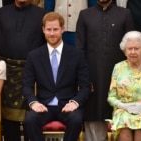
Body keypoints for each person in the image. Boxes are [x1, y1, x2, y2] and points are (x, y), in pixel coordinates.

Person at [22, 12, 90, 141]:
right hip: (43, 105)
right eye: (48, 29)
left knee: (76, 120)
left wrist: (75, 103)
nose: (52, 33)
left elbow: (85, 86)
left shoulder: (76, 55)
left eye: (55, 29)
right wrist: (33, 102)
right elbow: (27, 86)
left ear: (62, 29)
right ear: (43, 30)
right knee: (29, 120)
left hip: (67, 105)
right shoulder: (34, 56)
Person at [0, 0, 49, 140]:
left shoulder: (43, 15)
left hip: (35, 74)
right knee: (9, 121)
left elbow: (50, 44)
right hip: (7, 73)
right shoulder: (0, 14)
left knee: (33, 117)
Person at [75, 0, 134, 141]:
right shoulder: (85, 15)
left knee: (120, 113)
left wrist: (129, 77)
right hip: (92, 75)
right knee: (93, 112)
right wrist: (84, 79)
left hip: (119, 76)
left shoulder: (125, 14)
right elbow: (79, 49)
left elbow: (131, 47)